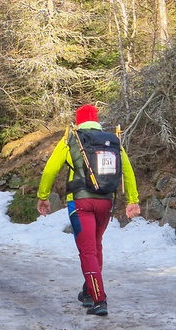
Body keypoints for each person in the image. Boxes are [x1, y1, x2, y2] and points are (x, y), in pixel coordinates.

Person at [36, 104, 141, 317]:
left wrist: (43, 196)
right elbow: (127, 172)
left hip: (80, 202)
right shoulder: (112, 141)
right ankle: (88, 291)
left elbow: (50, 169)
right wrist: (132, 200)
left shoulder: (71, 139)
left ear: (79, 120)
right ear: (97, 120)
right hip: (106, 202)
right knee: (96, 246)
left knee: (88, 251)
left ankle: (99, 300)